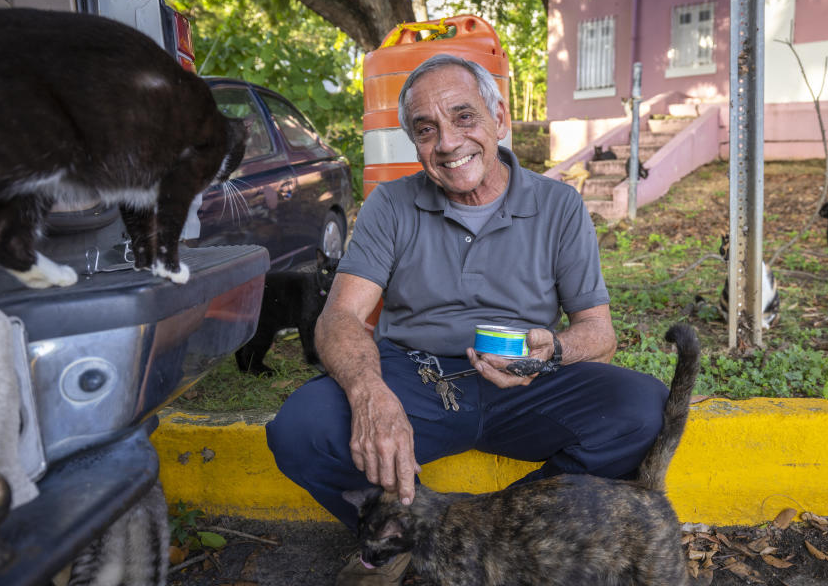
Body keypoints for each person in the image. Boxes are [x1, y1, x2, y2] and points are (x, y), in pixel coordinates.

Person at [265, 54, 669, 585]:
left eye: (463, 117)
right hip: (416, 378)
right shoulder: (390, 204)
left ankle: (502, 530)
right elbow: (339, 317)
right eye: (426, 129)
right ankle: (404, 537)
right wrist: (369, 394)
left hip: (523, 382)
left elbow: (600, 333)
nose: (448, 144)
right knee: (300, 430)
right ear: (415, 142)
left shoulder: (559, 205)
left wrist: (551, 353)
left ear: (499, 119)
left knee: (643, 410)